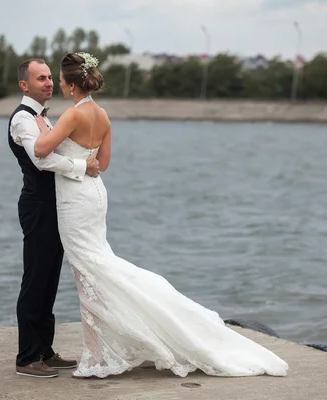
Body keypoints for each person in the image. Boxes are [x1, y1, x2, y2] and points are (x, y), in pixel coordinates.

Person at [33, 52, 289, 379]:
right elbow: (104, 164)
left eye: (61, 80)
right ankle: (98, 351)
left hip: (76, 199)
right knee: (95, 268)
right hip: (95, 194)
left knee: (88, 274)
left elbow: (41, 150)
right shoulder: (103, 115)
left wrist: (43, 129)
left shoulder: (72, 115)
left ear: (70, 85)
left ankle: (97, 356)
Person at [8, 58, 101, 378]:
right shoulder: (22, 119)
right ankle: (27, 357)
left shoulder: (43, 117)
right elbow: (40, 161)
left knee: (48, 281)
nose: (48, 83)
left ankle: (44, 351)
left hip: (58, 205)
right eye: (41, 78)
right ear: (25, 85)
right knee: (35, 280)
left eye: (50, 77)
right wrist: (81, 168)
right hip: (37, 207)